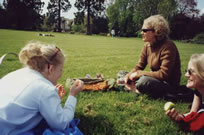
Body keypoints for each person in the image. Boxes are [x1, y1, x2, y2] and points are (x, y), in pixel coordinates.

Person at [0, 42, 84, 135]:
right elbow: (62, 123)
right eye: (61, 69)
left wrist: (53, 99)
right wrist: (72, 95)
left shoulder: (17, 73)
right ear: (50, 68)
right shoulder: (45, 89)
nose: (61, 74)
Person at [121, 14, 181, 98]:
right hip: (155, 79)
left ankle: (133, 89)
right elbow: (139, 66)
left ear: (156, 31)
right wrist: (129, 75)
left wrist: (138, 74)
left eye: (145, 30)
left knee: (144, 81)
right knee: (122, 74)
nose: (141, 33)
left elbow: (163, 75)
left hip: (167, 84)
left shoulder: (168, 46)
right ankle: (133, 87)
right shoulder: (147, 45)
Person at [166, 54, 204, 132]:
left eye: (191, 71)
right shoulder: (198, 91)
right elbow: (193, 113)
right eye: (186, 71)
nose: (186, 75)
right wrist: (181, 117)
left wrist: (184, 123)